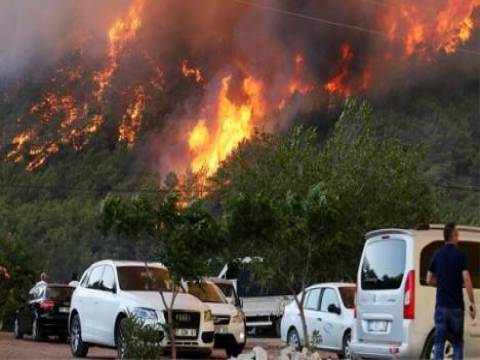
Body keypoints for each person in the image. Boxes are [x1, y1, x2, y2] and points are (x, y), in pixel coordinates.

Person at [427, 223, 476, 360]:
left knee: (439, 344)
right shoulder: (460, 254)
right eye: (457, 235)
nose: (458, 238)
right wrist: (472, 303)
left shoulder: (437, 254)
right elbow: (466, 279)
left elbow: (428, 279)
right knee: (457, 344)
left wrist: (441, 283)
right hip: (456, 308)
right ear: (453, 236)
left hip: (441, 307)